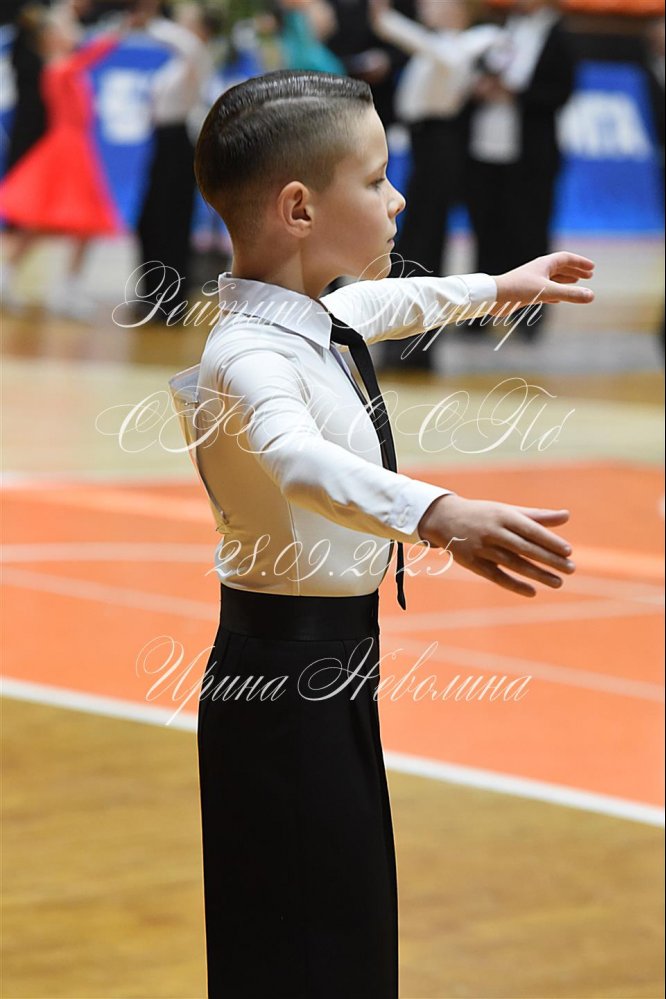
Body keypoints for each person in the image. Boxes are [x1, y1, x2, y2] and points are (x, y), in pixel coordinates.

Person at [175, 69, 594, 997]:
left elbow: (392, 306)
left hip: (329, 673)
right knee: (302, 951)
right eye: (375, 179)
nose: (398, 197)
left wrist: (502, 286)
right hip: (280, 684)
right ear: (298, 208)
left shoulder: (312, 319)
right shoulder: (248, 352)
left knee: (345, 934)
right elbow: (297, 461)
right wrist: (438, 513)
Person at [370, 0, 502, 371]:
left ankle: (416, 342)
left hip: (441, 144)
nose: (427, 6)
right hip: (424, 143)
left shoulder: (472, 41)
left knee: (425, 240)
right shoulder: (445, 44)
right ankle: (404, 336)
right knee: (417, 238)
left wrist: (388, 21)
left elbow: (442, 52)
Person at [0, 8, 144, 318]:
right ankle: (30, 279)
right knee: (50, 221)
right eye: (65, 30)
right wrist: (120, 29)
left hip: (77, 147)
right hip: (65, 150)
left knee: (63, 224)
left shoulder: (67, 66)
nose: (73, 34)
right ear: (51, 38)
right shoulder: (59, 66)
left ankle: (62, 284)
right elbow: (93, 53)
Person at [466, 0, 575, 339]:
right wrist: (481, 87)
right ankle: (479, 313)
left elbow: (561, 92)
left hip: (531, 154)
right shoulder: (500, 27)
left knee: (528, 233)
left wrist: (517, 94)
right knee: (486, 230)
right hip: (485, 145)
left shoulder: (560, 35)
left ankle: (530, 315)